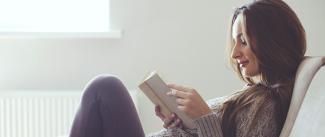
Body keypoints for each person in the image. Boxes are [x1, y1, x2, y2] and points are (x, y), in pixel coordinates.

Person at [69, 0, 306, 137]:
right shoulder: (256, 94)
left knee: (105, 89)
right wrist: (182, 125)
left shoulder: (269, 107)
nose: (234, 53)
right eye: (235, 41)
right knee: (103, 91)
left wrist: (204, 117)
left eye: (243, 41)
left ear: (271, 40)